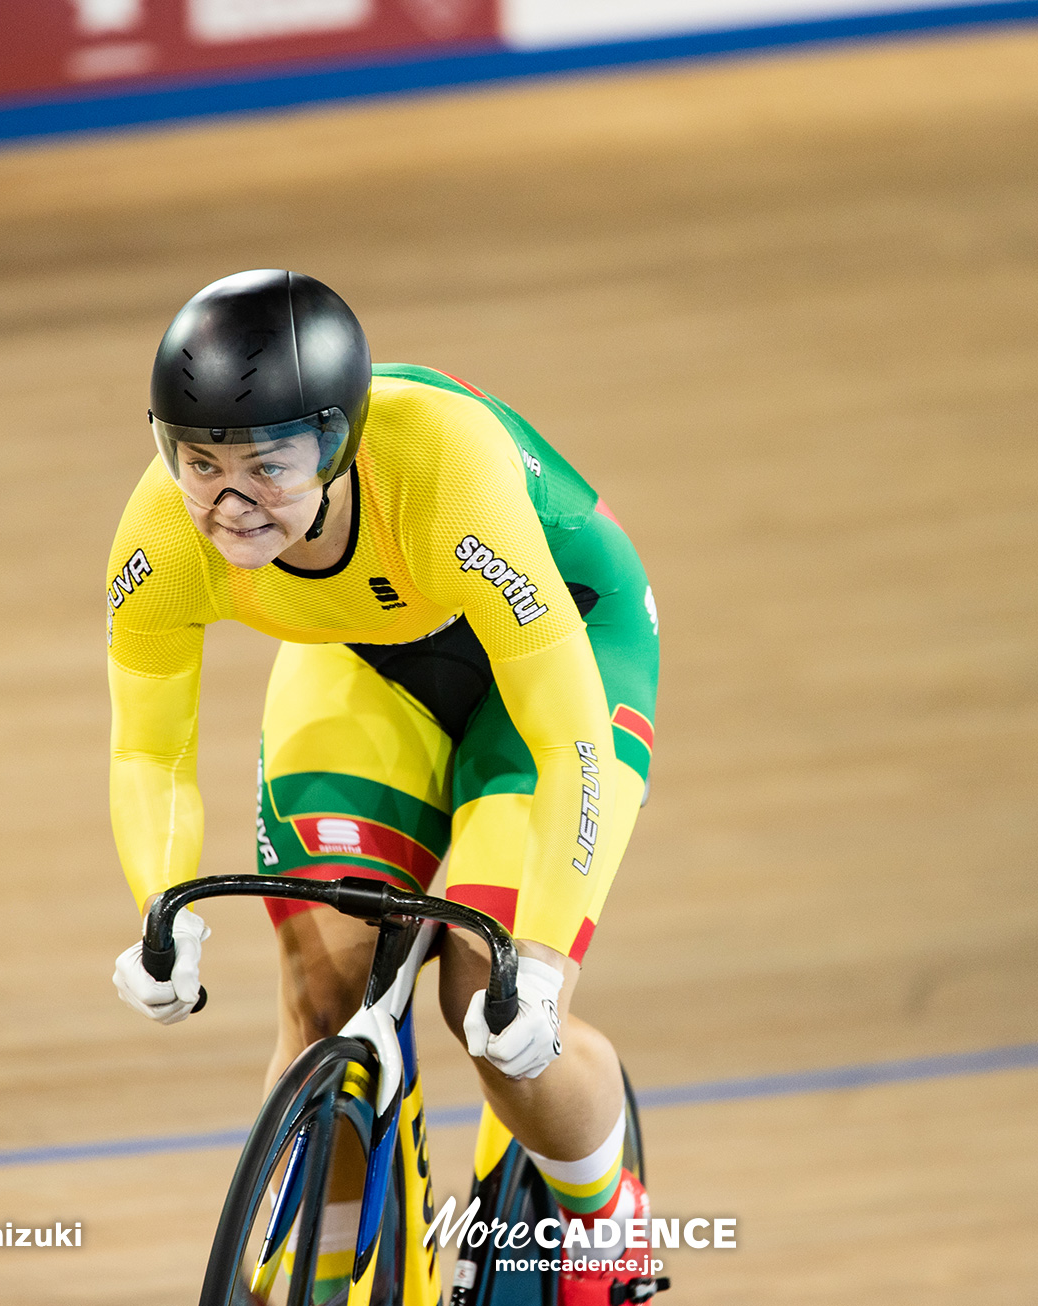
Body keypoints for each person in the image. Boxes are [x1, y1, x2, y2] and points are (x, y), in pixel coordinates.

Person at [100, 270, 660, 1305]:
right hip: (368, 654)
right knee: (322, 995)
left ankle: (605, 1213)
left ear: (341, 442)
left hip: (562, 654)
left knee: (484, 1008)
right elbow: (149, 753)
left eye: (269, 464)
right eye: (200, 462)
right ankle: (328, 1268)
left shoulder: (445, 473)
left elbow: (569, 733)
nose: (229, 503)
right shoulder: (162, 535)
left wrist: (531, 962)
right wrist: (159, 909)